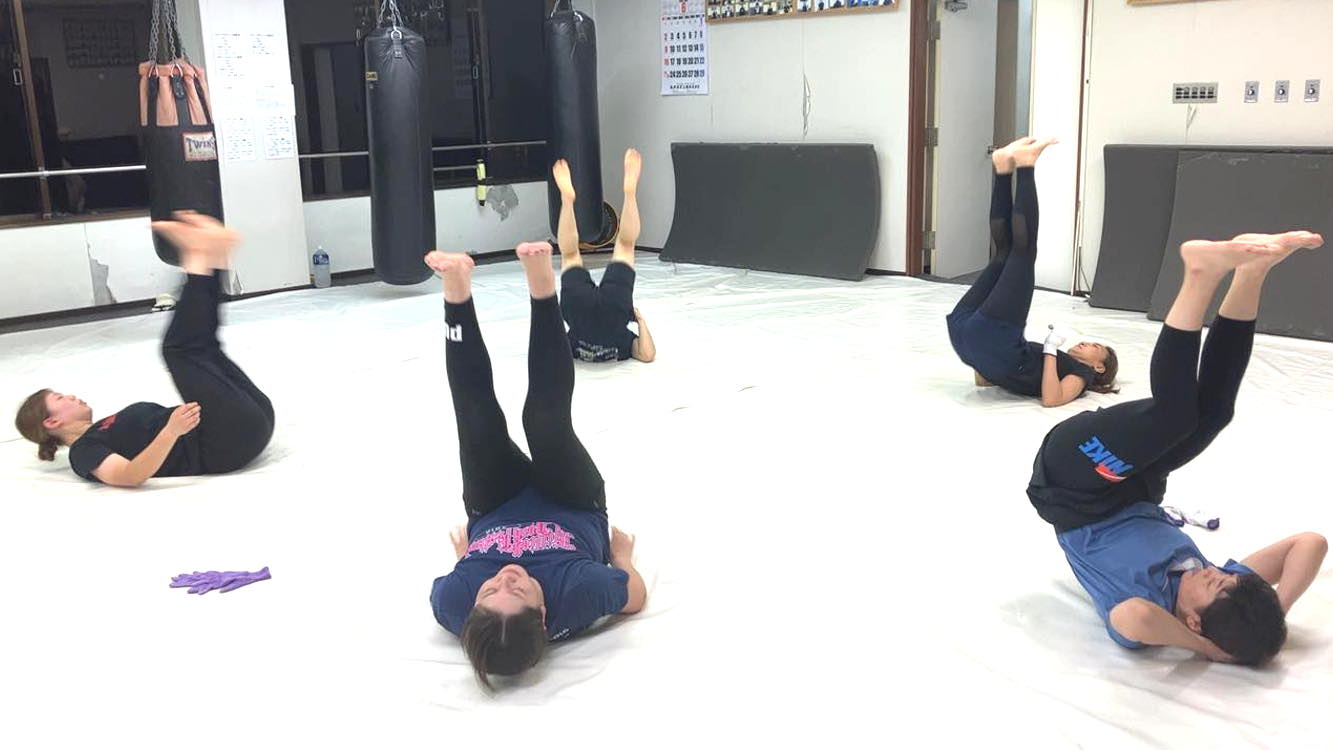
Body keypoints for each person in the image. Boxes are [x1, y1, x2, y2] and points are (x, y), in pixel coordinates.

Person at [1027, 231, 1327, 665]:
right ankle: (1251, 274)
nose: (1217, 573)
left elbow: (1133, 620)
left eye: (1216, 586)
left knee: (1176, 416)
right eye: (1227, 577)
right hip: (1135, 482)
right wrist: (1274, 614)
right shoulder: (1223, 592)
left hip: (1072, 483)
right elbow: (1310, 542)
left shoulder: (1146, 603)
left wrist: (1207, 650)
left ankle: (1200, 275)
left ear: (1194, 623)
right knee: (1214, 414)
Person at [425, 243, 647, 689]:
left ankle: (456, 290)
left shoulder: (452, 602)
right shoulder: (580, 594)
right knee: (543, 422)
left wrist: (468, 560)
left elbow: (464, 584)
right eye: (517, 590)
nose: (504, 578)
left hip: (496, 503)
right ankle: (543, 287)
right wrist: (621, 558)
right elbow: (635, 597)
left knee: (475, 419)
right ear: (544, 615)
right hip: (573, 500)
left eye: (489, 590)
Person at [14, 212, 274, 487]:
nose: (70, 396)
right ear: (52, 423)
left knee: (205, 348)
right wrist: (171, 431)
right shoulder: (83, 451)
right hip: (227, 443)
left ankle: (211, 257)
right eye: (59, 398)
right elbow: (128, 475)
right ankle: (200, 259)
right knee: (179, 350)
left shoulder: (104, 426)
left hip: (250, 419)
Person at [947, 137, 1117, 406]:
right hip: (964, 334)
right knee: (1004, 253)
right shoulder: (1058, 362)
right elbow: (984, 381)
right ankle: (1003, 167)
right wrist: (984, 359)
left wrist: (1050, 348)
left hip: (984, 337)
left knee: (1023, 252)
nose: (1085, 343)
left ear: (1099, 367)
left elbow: (1052, 399)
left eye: (1095, 347)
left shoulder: (1082, 373)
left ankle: (1025, 166)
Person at [552, 148, 656, 364]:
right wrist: (639, 320)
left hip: (606, 311)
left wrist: (638, 319)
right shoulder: (625, 342)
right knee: (571, 254)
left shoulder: (573, 342)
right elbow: (647, 355)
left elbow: (550, 350)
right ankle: (627, 193)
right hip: (594, 313)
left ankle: (569, 201)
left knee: (623, 246)